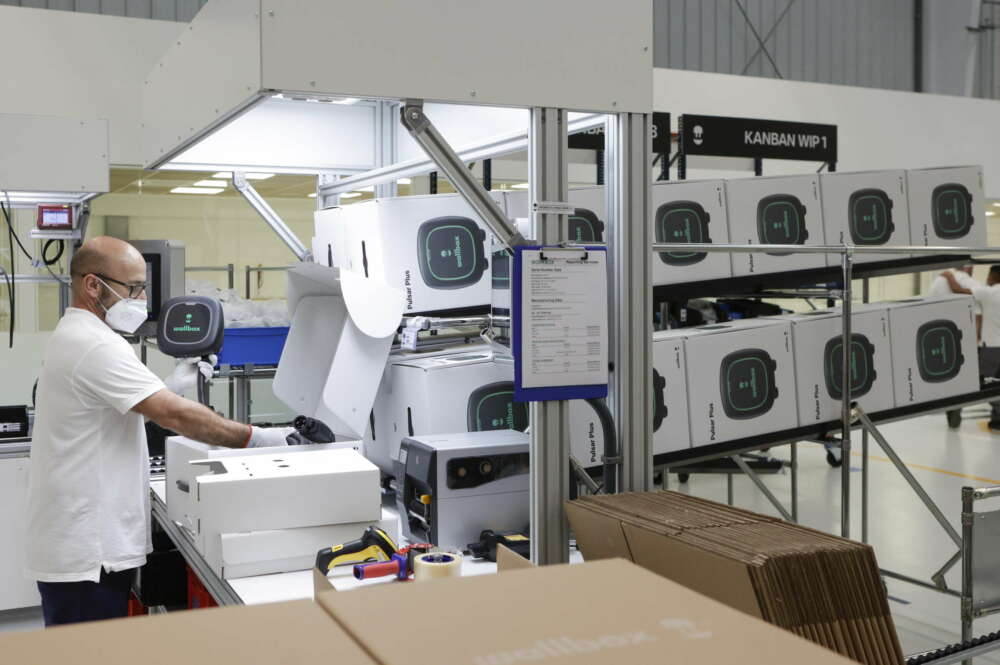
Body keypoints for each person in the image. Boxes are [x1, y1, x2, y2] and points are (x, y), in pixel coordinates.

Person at [26, 237, 290, 626]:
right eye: (133, 288)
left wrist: (171, 384)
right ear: (93, 286)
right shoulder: (93, 343)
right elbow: (176, 417)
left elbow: (118, 413)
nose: (143, 299)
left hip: (81, 547)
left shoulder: (78, 335)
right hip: (88, 554)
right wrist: (262, 438)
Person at [941, 265, 1000, 429]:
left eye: (989, 276)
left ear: (994, 277)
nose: (986, 279)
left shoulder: (990, 292)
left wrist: (949, 276)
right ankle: (997, 418)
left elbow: (959, 290)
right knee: (996, 385)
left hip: (992, 348)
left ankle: (955, 408)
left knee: (976, 383)